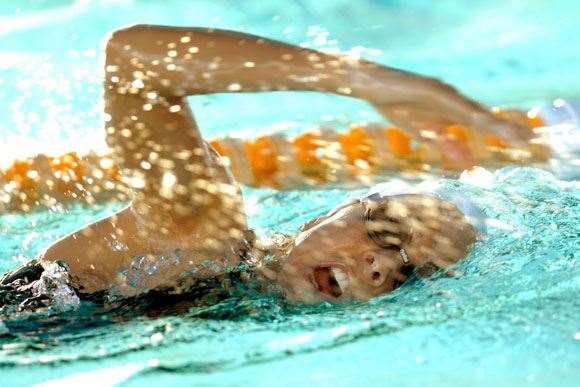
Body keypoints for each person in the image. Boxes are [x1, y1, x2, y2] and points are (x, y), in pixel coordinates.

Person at [0, 25, 528, 308]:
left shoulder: (237, 300)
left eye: (408, 274)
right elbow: (136, 60)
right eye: (387, 233)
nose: (377, 266)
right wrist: (364, 82)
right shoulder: (209, 236)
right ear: (337, 208)